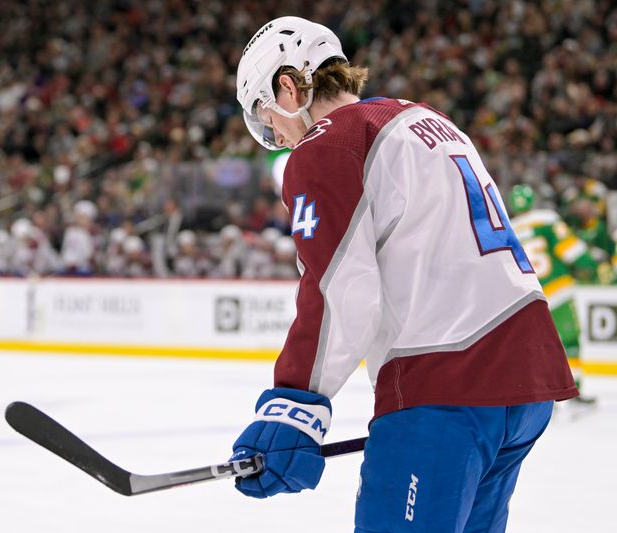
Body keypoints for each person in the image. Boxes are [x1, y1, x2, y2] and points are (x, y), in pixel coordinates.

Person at [229, 17, 577, 532]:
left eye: (265, 114)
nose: (275, 136)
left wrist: (294, 403)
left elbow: (338, 288)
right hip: (526, 383)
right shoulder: (424, 118)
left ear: (287, 85)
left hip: (446, 385)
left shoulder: (328, 144)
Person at [508, 184, 602, 405]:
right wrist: (589, 265)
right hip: (558, 290)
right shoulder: (546, 219)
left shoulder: (508, 230)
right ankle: (573, 389)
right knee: (570, 340)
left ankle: (540, 394)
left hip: (530, 297)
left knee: (537, 347)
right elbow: (569, 249)